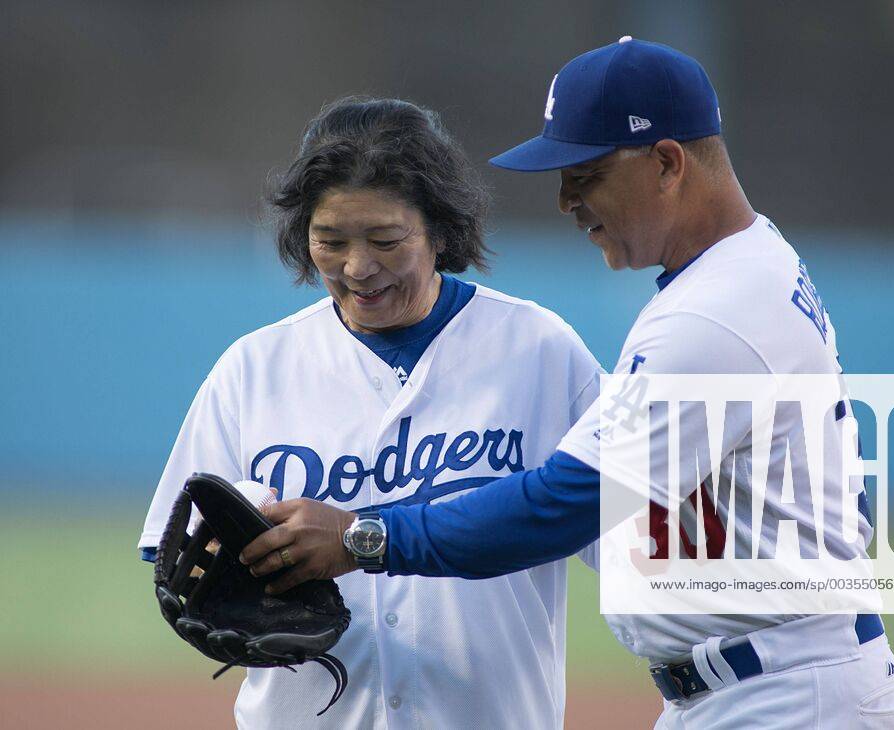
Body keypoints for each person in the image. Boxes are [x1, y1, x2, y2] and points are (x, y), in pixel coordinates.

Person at [241, 40, 894, 728]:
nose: (566, 199)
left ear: (665, 163)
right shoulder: (750, 264)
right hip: (767, 680)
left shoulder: (711, 315)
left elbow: (570, 502)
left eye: (585, 174)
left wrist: (366, 538)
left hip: (787, 695)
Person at [137, 97, 602, 728]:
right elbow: (180, 550)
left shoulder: (540, 350)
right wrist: (234, 568)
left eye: (385, 240)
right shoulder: (253, 368)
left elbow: (631, 532)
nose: (358, 267)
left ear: (440, 229)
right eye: (329, 241)